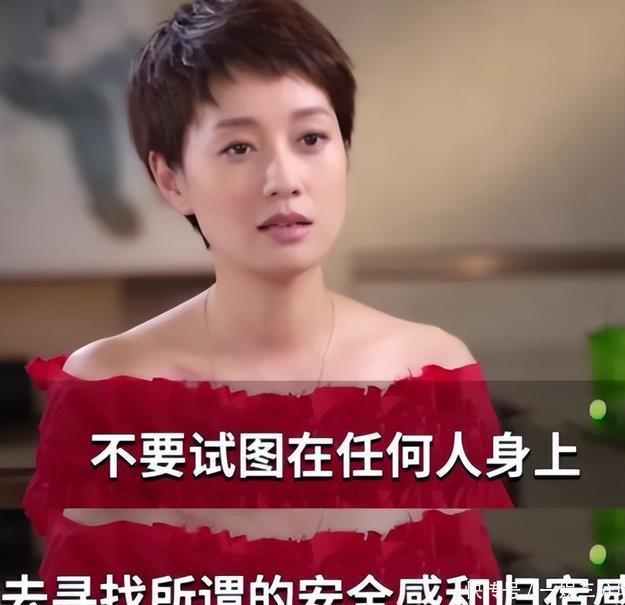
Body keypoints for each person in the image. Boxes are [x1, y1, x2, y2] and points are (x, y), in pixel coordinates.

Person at [24, 0, 512, 600]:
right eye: (239, 148)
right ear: (171, 179)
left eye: (311, 138)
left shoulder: (430, 368)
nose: (284, 179)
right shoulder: (109, 389)